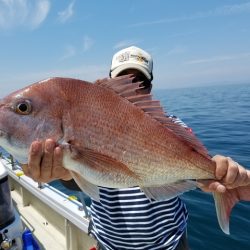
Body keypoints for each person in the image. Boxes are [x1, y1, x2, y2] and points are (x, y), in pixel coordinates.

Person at [22, 46, 250, 250]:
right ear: (108, 84)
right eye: (123, 82)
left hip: (170, 244)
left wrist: (221, 172)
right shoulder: (83, 122)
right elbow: (80, 178)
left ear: (150, 86)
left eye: (140, 83)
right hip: (109, 244)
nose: (133, 89)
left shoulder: (174, 127)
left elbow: (199, 176)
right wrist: (63, 172)